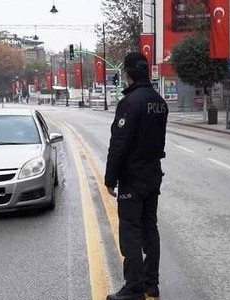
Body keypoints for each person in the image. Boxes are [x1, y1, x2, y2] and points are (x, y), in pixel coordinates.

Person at [104, 53, 168, 300]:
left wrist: (110, 179)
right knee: (150, 229)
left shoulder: (131, 102)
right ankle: (151, 283)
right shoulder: (158, 102)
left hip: (133, 177)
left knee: (130, 231)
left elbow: (119, 143)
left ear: (128, 74)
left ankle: (134, 287)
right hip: (153, 174)